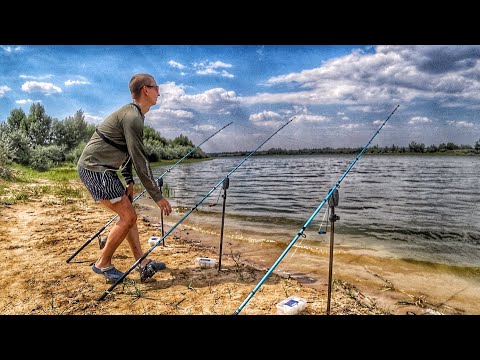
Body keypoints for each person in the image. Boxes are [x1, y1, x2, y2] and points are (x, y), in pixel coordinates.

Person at [77, 73, 172, 284]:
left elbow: (128, 152)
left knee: (129, 214)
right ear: (145, 90)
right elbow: (140, 160)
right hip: (96, 169)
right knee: (128, 217)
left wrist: (128, 180)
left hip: (105, 169)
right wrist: (158, 196)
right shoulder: (133, 117)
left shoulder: (135, 115)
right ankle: (102, 264)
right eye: (156, 87)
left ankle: (141, 261)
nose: (159, 91)